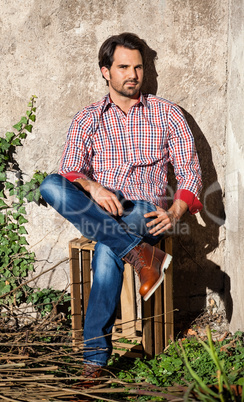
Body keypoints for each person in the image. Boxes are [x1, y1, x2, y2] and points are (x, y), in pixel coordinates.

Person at [40, 32, 202, 377]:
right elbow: (70, 170)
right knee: (51, 185)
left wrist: (175, 212)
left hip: (147, 212)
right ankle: (140, 255)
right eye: (124, 67)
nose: (133, 75)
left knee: (105, 249)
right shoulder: (88, 118)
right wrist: (92, 186)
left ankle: (94, 361)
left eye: (139, 67)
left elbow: (190, 172)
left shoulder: (167, 114)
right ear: (105, 71)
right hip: (104, 214)